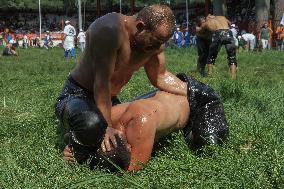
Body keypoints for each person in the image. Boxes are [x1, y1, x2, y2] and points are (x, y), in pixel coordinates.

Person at [55, 4, 187, 164]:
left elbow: (160, 77)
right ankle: (76, 143)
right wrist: (106, 126)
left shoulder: (154, 45)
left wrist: (191, 90)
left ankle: (87, 136)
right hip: (77, 94)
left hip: (108, 100)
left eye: (162, 42)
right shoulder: (109, 30)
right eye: (155, 41)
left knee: (126, 137)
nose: (158, 48)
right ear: (140, 27)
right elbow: (101, 84)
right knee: (92, 124)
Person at [63, 73, 229, 171]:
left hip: (199, 99)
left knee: (210, 153)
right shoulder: (107, 121)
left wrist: (82, 159)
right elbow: (82, 133)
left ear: (129, 147)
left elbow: (131, 172)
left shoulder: (142, 122)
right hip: (162, 95)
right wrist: (75, 148)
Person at [197, 15, 237, 79]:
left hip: (218, 34)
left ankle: (210, 75)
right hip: (228, 33)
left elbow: (199, 31)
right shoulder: (222, 17)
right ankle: (233, 77)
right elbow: (230, 24)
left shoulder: (207, 23)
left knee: (211, 56)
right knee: (232, 57)